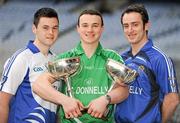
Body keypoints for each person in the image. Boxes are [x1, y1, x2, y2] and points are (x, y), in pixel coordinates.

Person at [33, 9, 129, 123]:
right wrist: (65, 100)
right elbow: (38, 85)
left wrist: (106, 99)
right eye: (85, 25)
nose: (90, 30)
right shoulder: (66, 58)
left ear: (102, 28)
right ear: (78, 28)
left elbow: (124, 89)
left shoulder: (112, 57)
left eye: (95, 25)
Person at [114, 3, 180, 123]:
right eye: (126, 26)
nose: (130, 30)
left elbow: (173, 99)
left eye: (135, 25)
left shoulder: (159, 59)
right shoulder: (122, 58)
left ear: (146, 25)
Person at [0, 7, 60, 123]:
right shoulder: (22, 58)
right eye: (45, 28)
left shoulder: (56, 61)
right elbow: (2, 101)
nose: (51, 33)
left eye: (55, 28)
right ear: (34, 29)